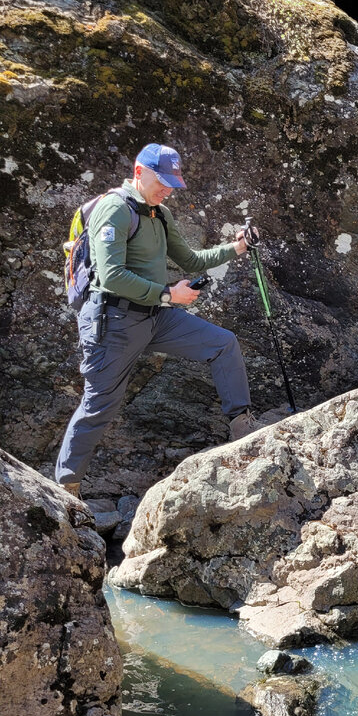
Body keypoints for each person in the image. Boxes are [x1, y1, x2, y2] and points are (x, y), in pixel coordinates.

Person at [55, 143, 257, 497]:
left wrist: (237, 247)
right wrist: (168, 294)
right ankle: (65, 488)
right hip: (114, 322)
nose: (167, 189)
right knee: (99, 404)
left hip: (155, 317)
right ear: (139, 171)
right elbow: (112, 275)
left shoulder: (159, 214)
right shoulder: (115, 209)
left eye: (172, 183)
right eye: (161, 180)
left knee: (223, 344)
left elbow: (192, 260)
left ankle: (243, 427)